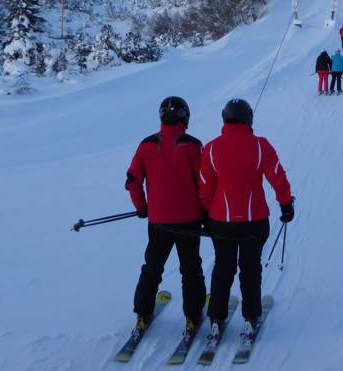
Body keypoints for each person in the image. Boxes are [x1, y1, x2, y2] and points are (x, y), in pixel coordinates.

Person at [199, 99, 294, 344]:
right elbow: (277, 177)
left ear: (225, 118)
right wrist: (286, 204)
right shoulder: (261, 146)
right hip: (255, 220)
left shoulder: (211, 148)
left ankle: (216, 318)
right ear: (249, 118)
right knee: (250, 268)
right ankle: (251, 317)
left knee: (223, 267)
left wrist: (204, 214)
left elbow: (205, 188)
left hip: (221, 221)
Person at [125, 96, 207, 338]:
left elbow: (132, 181)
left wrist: (142, 207)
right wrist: (207, 212)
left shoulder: (147, 144)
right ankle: (193, 316)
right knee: (190, 269)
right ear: (185, 117)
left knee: (152, 268)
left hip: (158, 220)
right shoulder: (192, 145)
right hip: (189, 221)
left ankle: (142, 313)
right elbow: (205, 184)